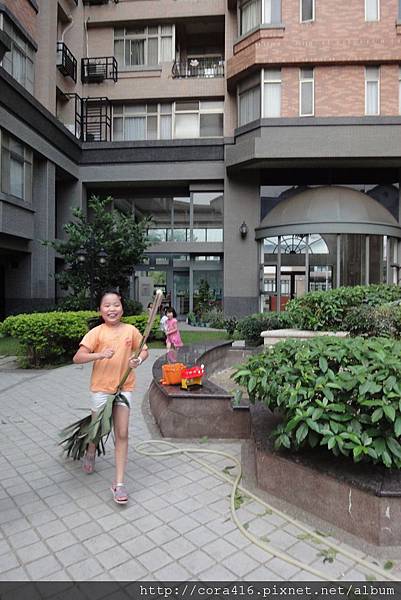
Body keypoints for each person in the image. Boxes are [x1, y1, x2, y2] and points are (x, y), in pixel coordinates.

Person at [73, 289, 148, 504]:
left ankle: (119, 484)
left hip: (124, 388)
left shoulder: (131, 330)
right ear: (100, 310)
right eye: (107, 305)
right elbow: (78, 357)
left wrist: (138, 360)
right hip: (101, 389)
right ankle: (91, 451)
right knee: (97, 429)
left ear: (122, 308)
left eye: (116, 304)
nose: (112, 309)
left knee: (122, 433)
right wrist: (100, 354)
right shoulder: (96, 333)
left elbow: (144, 350)